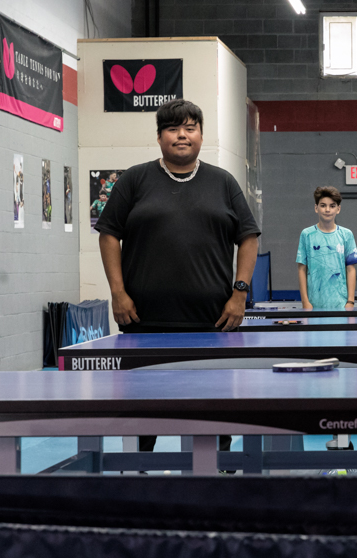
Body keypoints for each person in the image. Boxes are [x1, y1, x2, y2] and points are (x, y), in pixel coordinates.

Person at [96, 99, 260, 455]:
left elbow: (249, 237)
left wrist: (240, 293)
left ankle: (218, 470)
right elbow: (108, 233)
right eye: (172, 128)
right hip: (144, 323)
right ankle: (139, 471)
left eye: (190, 128)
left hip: (213, 323)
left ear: (201, 134)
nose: (182, 135)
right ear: (159, 137)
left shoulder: (223, 182)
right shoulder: (135, 179)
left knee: (213, 412)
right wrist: (117, 292)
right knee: (144, 412)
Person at [297, 186, 357, 310]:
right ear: (316, 208)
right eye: (323, 205)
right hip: (313, 304)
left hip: (340, 304)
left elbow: (351, 269)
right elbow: (301, 269)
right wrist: (305, 302)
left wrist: (350, 302)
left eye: (332, 206)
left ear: (338, 209)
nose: (327, 210)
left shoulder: (346, 234)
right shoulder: (306, 234)